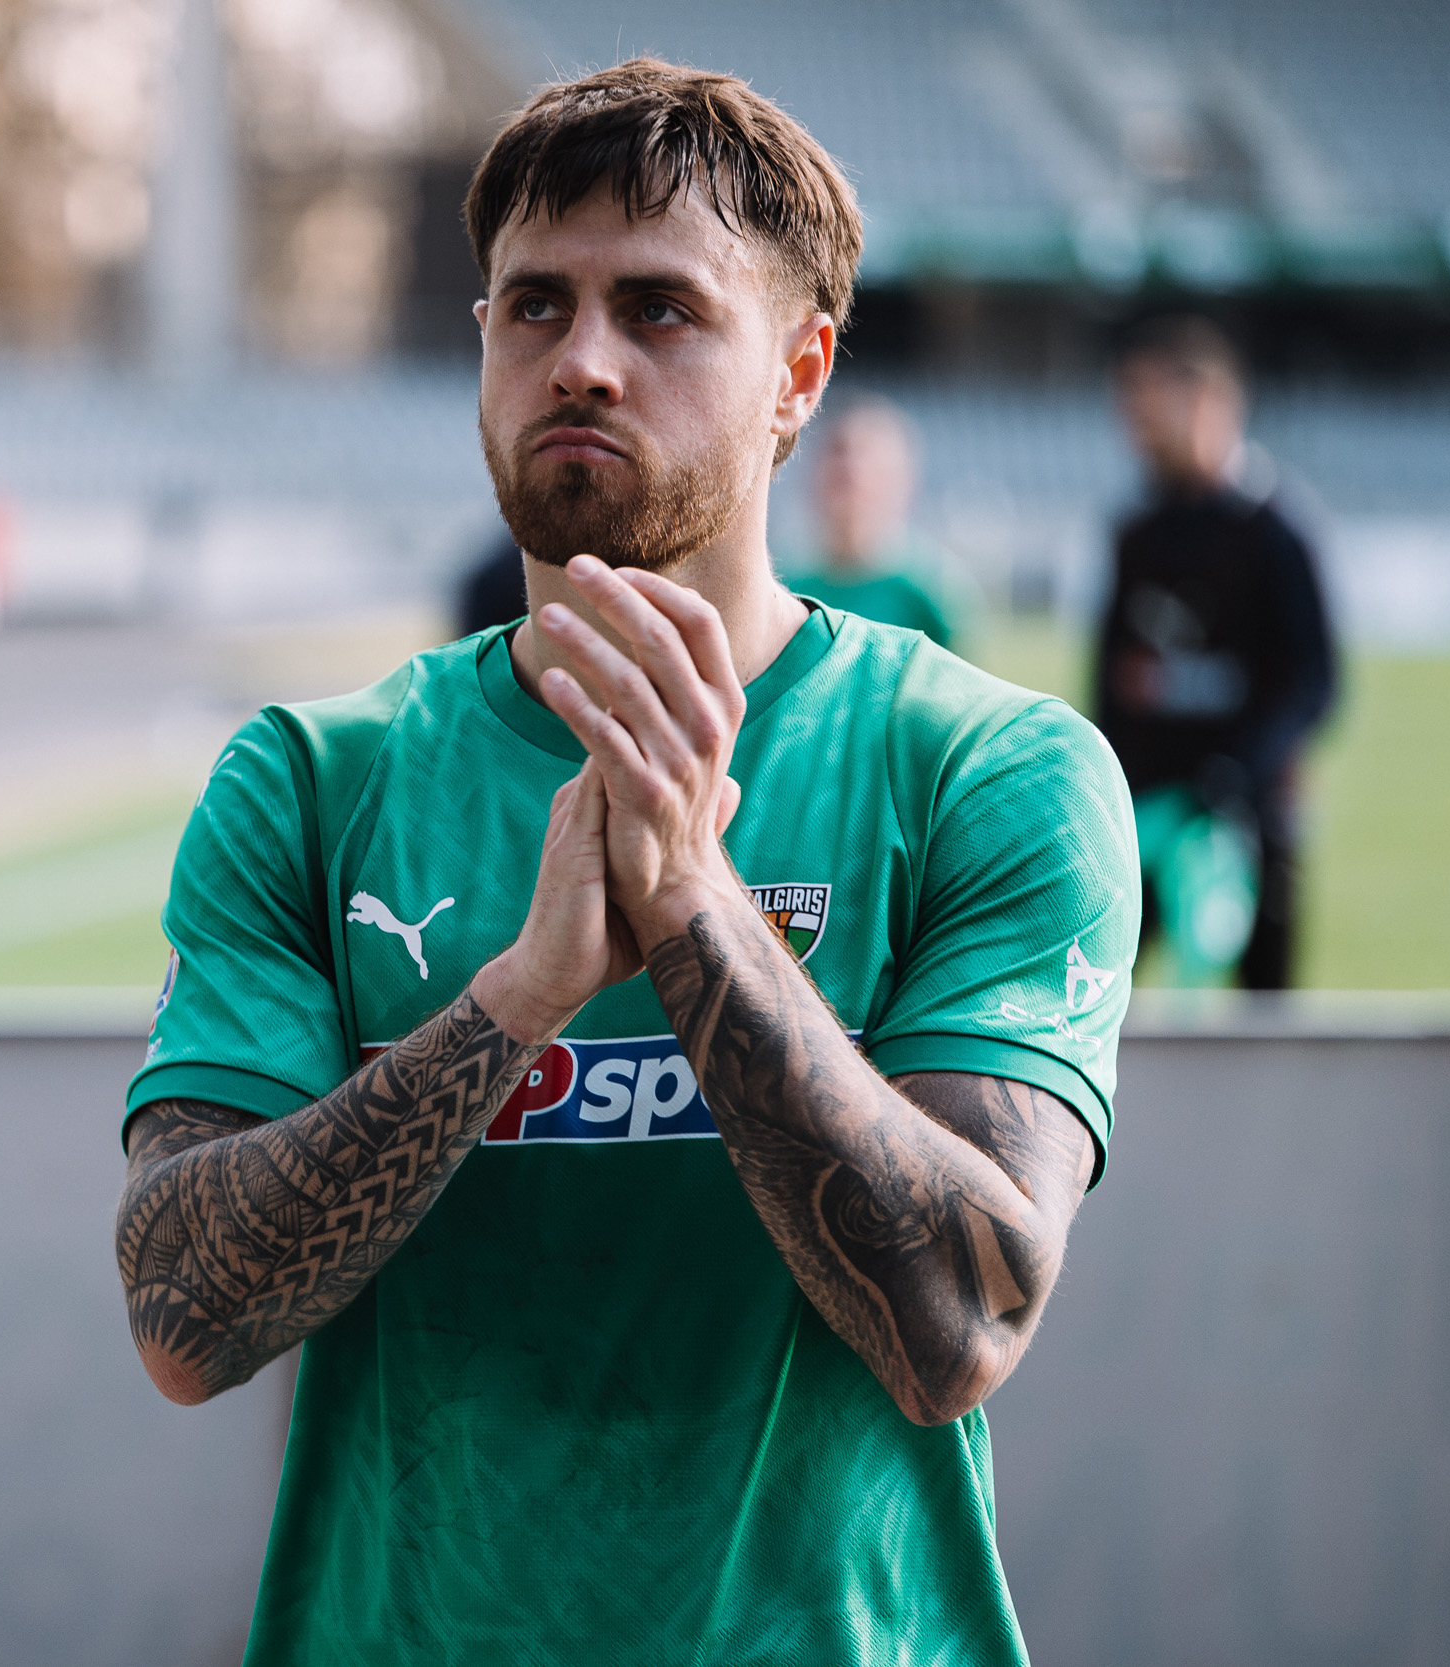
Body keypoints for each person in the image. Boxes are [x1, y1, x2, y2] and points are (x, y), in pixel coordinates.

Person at [116, 59, 1138, 1665]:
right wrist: (514, 1001)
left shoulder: (993, 768)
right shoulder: (312, 779)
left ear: (799, 374)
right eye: (536, 305)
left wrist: (689, 902)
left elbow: (957, 1321)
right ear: (483, 347)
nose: (582, 359)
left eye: (661, 310)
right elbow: (183, 1313)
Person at [1096, 316, 1337, 991]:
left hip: (1250, 819)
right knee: (1099, 997)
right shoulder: (1137, 532)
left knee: (1264, 1021)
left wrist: (1235, 774)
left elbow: (1315, 683)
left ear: (1205, 400)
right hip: (1144, 815)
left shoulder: (1278, 531)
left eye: (1149, 409)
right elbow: (1111, 678)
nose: (1136, 430)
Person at [775, 393, 965, 649]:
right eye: (838, 455)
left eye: (865, 459)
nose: (850, 469)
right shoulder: (785, 587)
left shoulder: (930, 593)